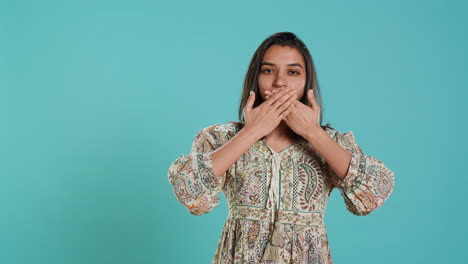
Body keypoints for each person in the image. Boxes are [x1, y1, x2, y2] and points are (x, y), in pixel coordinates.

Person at [167, 32, 395, 264]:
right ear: (254, 79)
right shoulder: (222, 138)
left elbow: (375, 194)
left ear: (307, 83)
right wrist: (252, 131)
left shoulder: (328, 143)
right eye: (268, 70)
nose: (280, 82)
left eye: (293, 72)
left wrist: (313, 132)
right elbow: (189, 191)